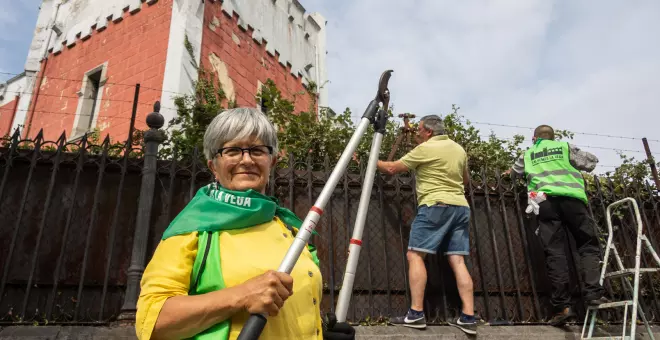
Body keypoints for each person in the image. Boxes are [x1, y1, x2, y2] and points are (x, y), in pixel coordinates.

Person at [135, 108, 355, 340]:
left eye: (257, 150)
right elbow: (151, 321)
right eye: (232, 150)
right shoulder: (193, 230)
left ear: (272, 161)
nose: (246, 159)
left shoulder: (291, 230)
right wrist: (241, 296)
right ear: (214, 166)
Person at [376, 115, 477, 335]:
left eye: (419, 130)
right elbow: (465, 180)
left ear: (428, 131)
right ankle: (468, 316)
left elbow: (392, 168)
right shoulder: (458, 149)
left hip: (435, 205)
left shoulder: (426, 150)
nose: (417, 133)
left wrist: (372, 161)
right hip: (461, 207)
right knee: (458, 260)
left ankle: (416, 313)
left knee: (415, 256)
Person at [507, 124, 607, 327]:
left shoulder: (527, 154)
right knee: (587, 245)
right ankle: (593, 294)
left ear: (534, 139)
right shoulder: (565, 147)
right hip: (573, 201)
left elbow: (513, 174)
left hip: (544, 203)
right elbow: (591, 163)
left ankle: (563, 307)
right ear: (553, 137)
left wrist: (509, 172)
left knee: (554, 252)